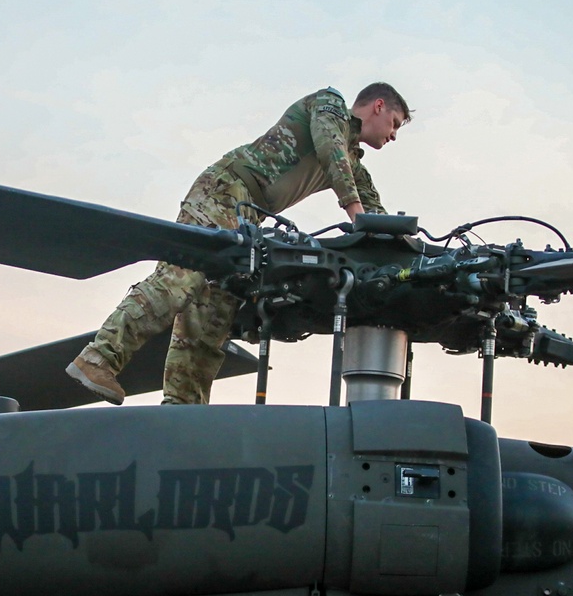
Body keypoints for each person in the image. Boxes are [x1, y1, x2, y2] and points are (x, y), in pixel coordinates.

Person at [67, 83, 411, 405]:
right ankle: (98, 357)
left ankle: (182, 410)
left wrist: (403, 251)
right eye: (394, 123)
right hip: (224, 191)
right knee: (180, 280)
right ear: (378, 106)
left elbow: (376, 223)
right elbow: (328, 147)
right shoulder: (329, 105)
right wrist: (353, 209)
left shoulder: (353, 163)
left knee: (212, 311)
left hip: (246, 220)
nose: (394, 135)